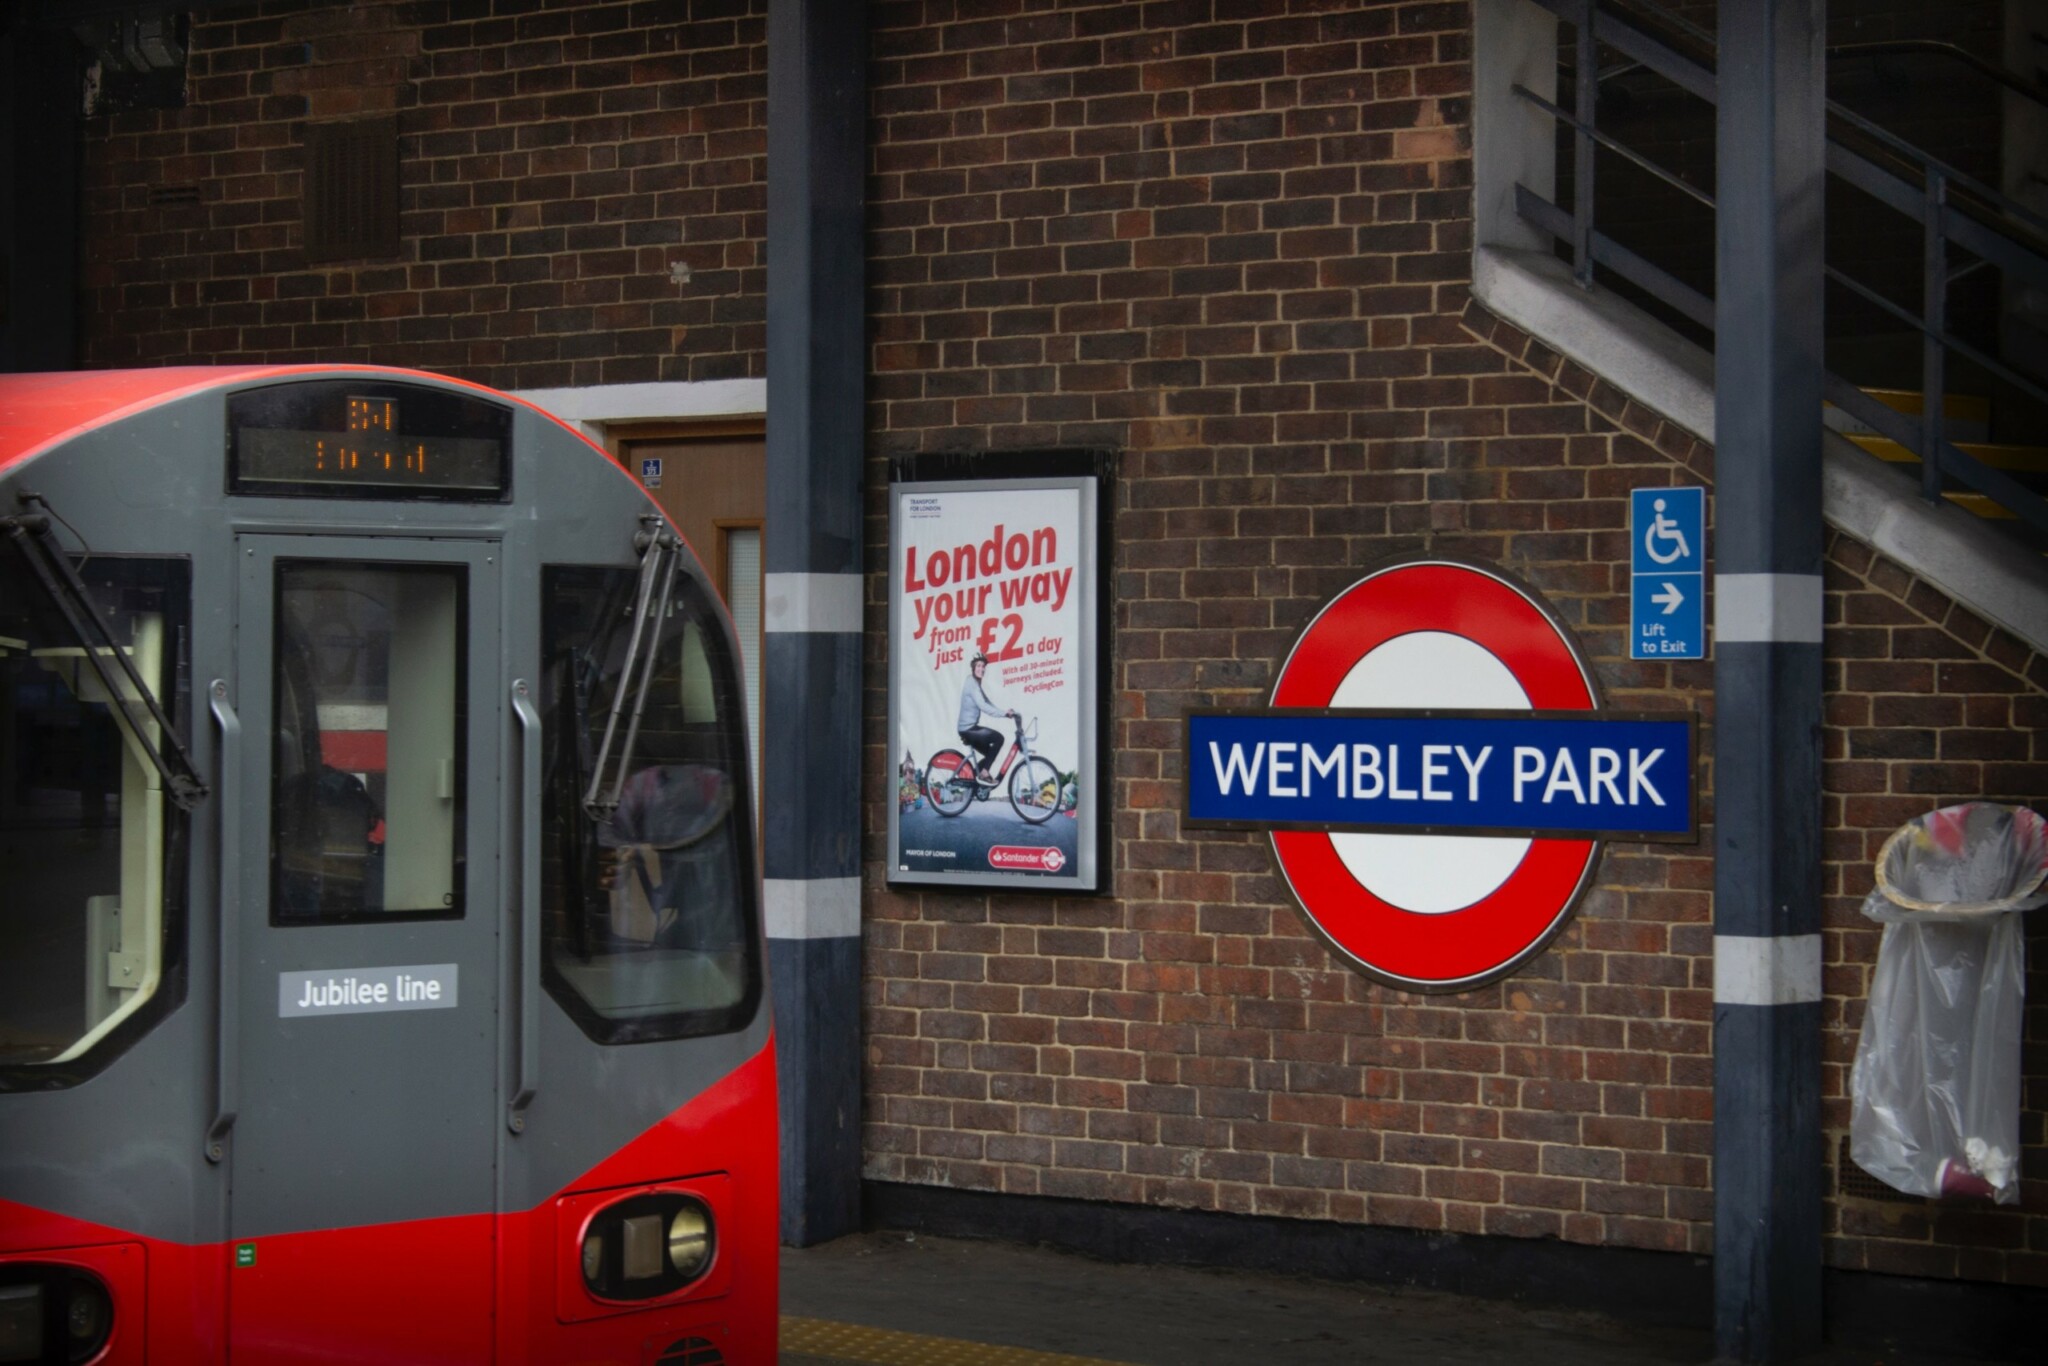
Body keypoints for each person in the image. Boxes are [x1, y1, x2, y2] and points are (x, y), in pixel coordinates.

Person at [956, 651, 1016, 786]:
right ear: (973, 667)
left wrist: (1004, 712)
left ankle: (977, 778)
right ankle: (983, 773)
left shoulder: (974, 682)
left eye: (983, 666)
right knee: (999, 739)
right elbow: (983, 706)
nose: (981, 669)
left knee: (991, 754)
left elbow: (987, 701)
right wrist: (1004, 714)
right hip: (968, 729)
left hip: (968, 728)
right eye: (978, 666)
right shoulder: (972, 684)